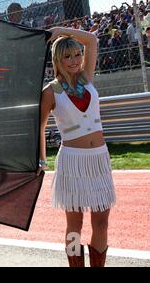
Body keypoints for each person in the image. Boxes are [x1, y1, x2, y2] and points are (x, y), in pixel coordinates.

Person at [38, 27, 116, 267]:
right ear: (57, 61)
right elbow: (39, 127)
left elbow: (92, 39)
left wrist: (57, 31)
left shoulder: (86, 79)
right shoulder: (50, 91)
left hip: (99, 159)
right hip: (72, 162)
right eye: (67, 56)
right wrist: (42, 160)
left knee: (101, 222)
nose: (74, 60)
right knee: (75, 225)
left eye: (76, 54)